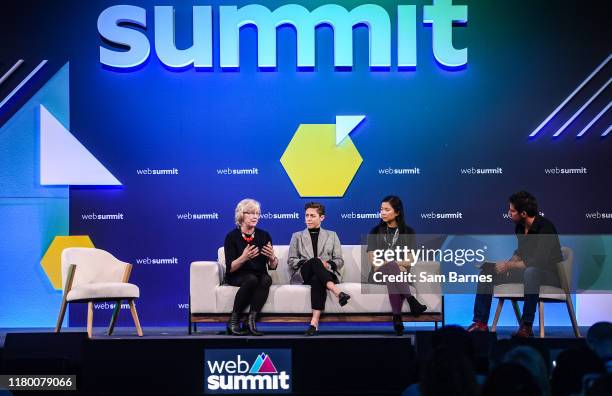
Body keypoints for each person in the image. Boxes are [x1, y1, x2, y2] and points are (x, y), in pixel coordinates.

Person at [467, 191, 563, 337]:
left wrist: (510, 266)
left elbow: (538, 261)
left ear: (523, 213)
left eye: (512, 210)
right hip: (527, 272)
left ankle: (526, 326)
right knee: (487, 273)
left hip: (549, 275)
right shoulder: (519, 227)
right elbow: (520, 252)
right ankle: (480, 322)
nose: (509, 213)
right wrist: (506, 264)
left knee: (532, 271)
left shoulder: (546, 228)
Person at [367, 195, 427, 336]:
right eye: (381, 209)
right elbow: (374, 262)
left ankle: (397, 318)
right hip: (378, 274)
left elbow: (410, 260)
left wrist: (392, 264)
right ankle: (411, 300)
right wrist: (394, 265)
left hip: (399, 274)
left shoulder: (408, 232)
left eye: (387, 209)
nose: (383, 212)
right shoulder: (374, 231)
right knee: (394, 270)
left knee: (393, 275)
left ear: (397, 212)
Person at [288, 202, 350, 336]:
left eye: (312, 216)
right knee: (315, 261)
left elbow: (339, 260)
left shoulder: (332, 235)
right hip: (305, 274)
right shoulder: (297, 236)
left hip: (325, 274)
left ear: (321, 218)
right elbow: (291, 260)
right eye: (306, 216)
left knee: (317, 279)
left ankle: (314, 322)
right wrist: (309, 262)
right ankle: (337, 291)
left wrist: (327, 265)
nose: (308, 219)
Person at [223, 199, 278, 336]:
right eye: (251, 213)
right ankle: (233, 321)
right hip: (237, 275)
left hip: (259, 274)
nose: (255, 217)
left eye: (257, 213)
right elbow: (230, 268)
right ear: (241, 215)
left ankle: (250, 322)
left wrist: (272, 258)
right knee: (252, 279)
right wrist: (244, 258)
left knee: (266, 279)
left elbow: (272, 266)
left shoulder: (264, 235)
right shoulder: (232, 237)